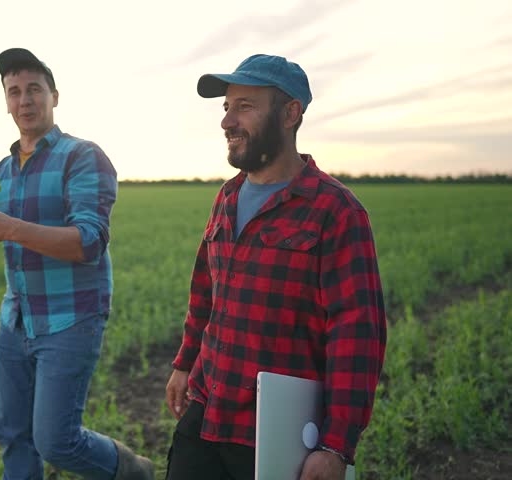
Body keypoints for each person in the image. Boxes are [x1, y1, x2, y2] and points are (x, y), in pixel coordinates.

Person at [163, 54, 387, 480]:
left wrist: (336, 446)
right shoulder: (227, 198)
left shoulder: (335, 211)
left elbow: (357, 333)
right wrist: (184, 362)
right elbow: (205, 295)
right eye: (226, 107)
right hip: (207, 410)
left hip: (276, 436)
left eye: (244, 106)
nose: (228, 121)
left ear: (290, 113)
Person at [0, 47, 154, 480]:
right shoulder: (0, 172)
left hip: (71, 317)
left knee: (56, 441)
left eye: (34, 90)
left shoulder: (82, 157)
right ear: (6, 102)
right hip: (17, 318)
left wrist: (7, 226)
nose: (25, 100)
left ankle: (133, 471)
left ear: (55, 96)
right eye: (14, 91)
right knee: (12, 433)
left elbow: (88, 242)